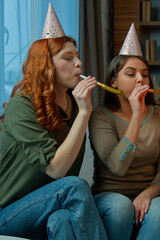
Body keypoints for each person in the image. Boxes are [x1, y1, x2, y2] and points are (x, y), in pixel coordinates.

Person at [0, 3, 107, 239]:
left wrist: (81, 111)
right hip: (7, 213)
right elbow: (57, 170)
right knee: (75, 186)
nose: (78, 63)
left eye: (77, 56)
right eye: (68, 57)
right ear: (46, 66)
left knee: (62, 218)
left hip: (49, 205)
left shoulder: (71, 104)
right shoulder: (22, 106)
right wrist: (84, 113)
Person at [88, 23, 160, 240]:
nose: (140, 79)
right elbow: (117, 166)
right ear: (113, 81)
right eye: (131, 73)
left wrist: (146, 194)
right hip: (108, 197)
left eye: (145, 74)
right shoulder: (100, 116)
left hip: (150, 194)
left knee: (159, 209)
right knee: (120, 206)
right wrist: (136, 115)